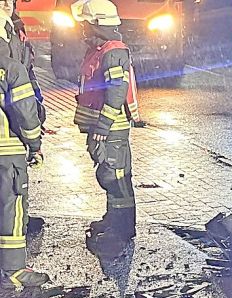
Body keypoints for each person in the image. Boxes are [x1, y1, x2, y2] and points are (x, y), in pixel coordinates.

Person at [71, 0, 139, 246]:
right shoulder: (100, 49)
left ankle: (122, 230)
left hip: (112, 129)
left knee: (117, 178)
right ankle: (113, 220)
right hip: (104, 129)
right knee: (109, 175)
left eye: (86, 24)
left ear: (97, 24)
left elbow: (116, 92)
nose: (82, 29)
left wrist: (103, 126)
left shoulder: (113, 51)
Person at [0, 44, 44, 288]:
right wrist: (34, 143)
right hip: (6, 153)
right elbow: (27, 114)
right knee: (11, 208)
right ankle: (13, 271)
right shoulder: (10, 69)